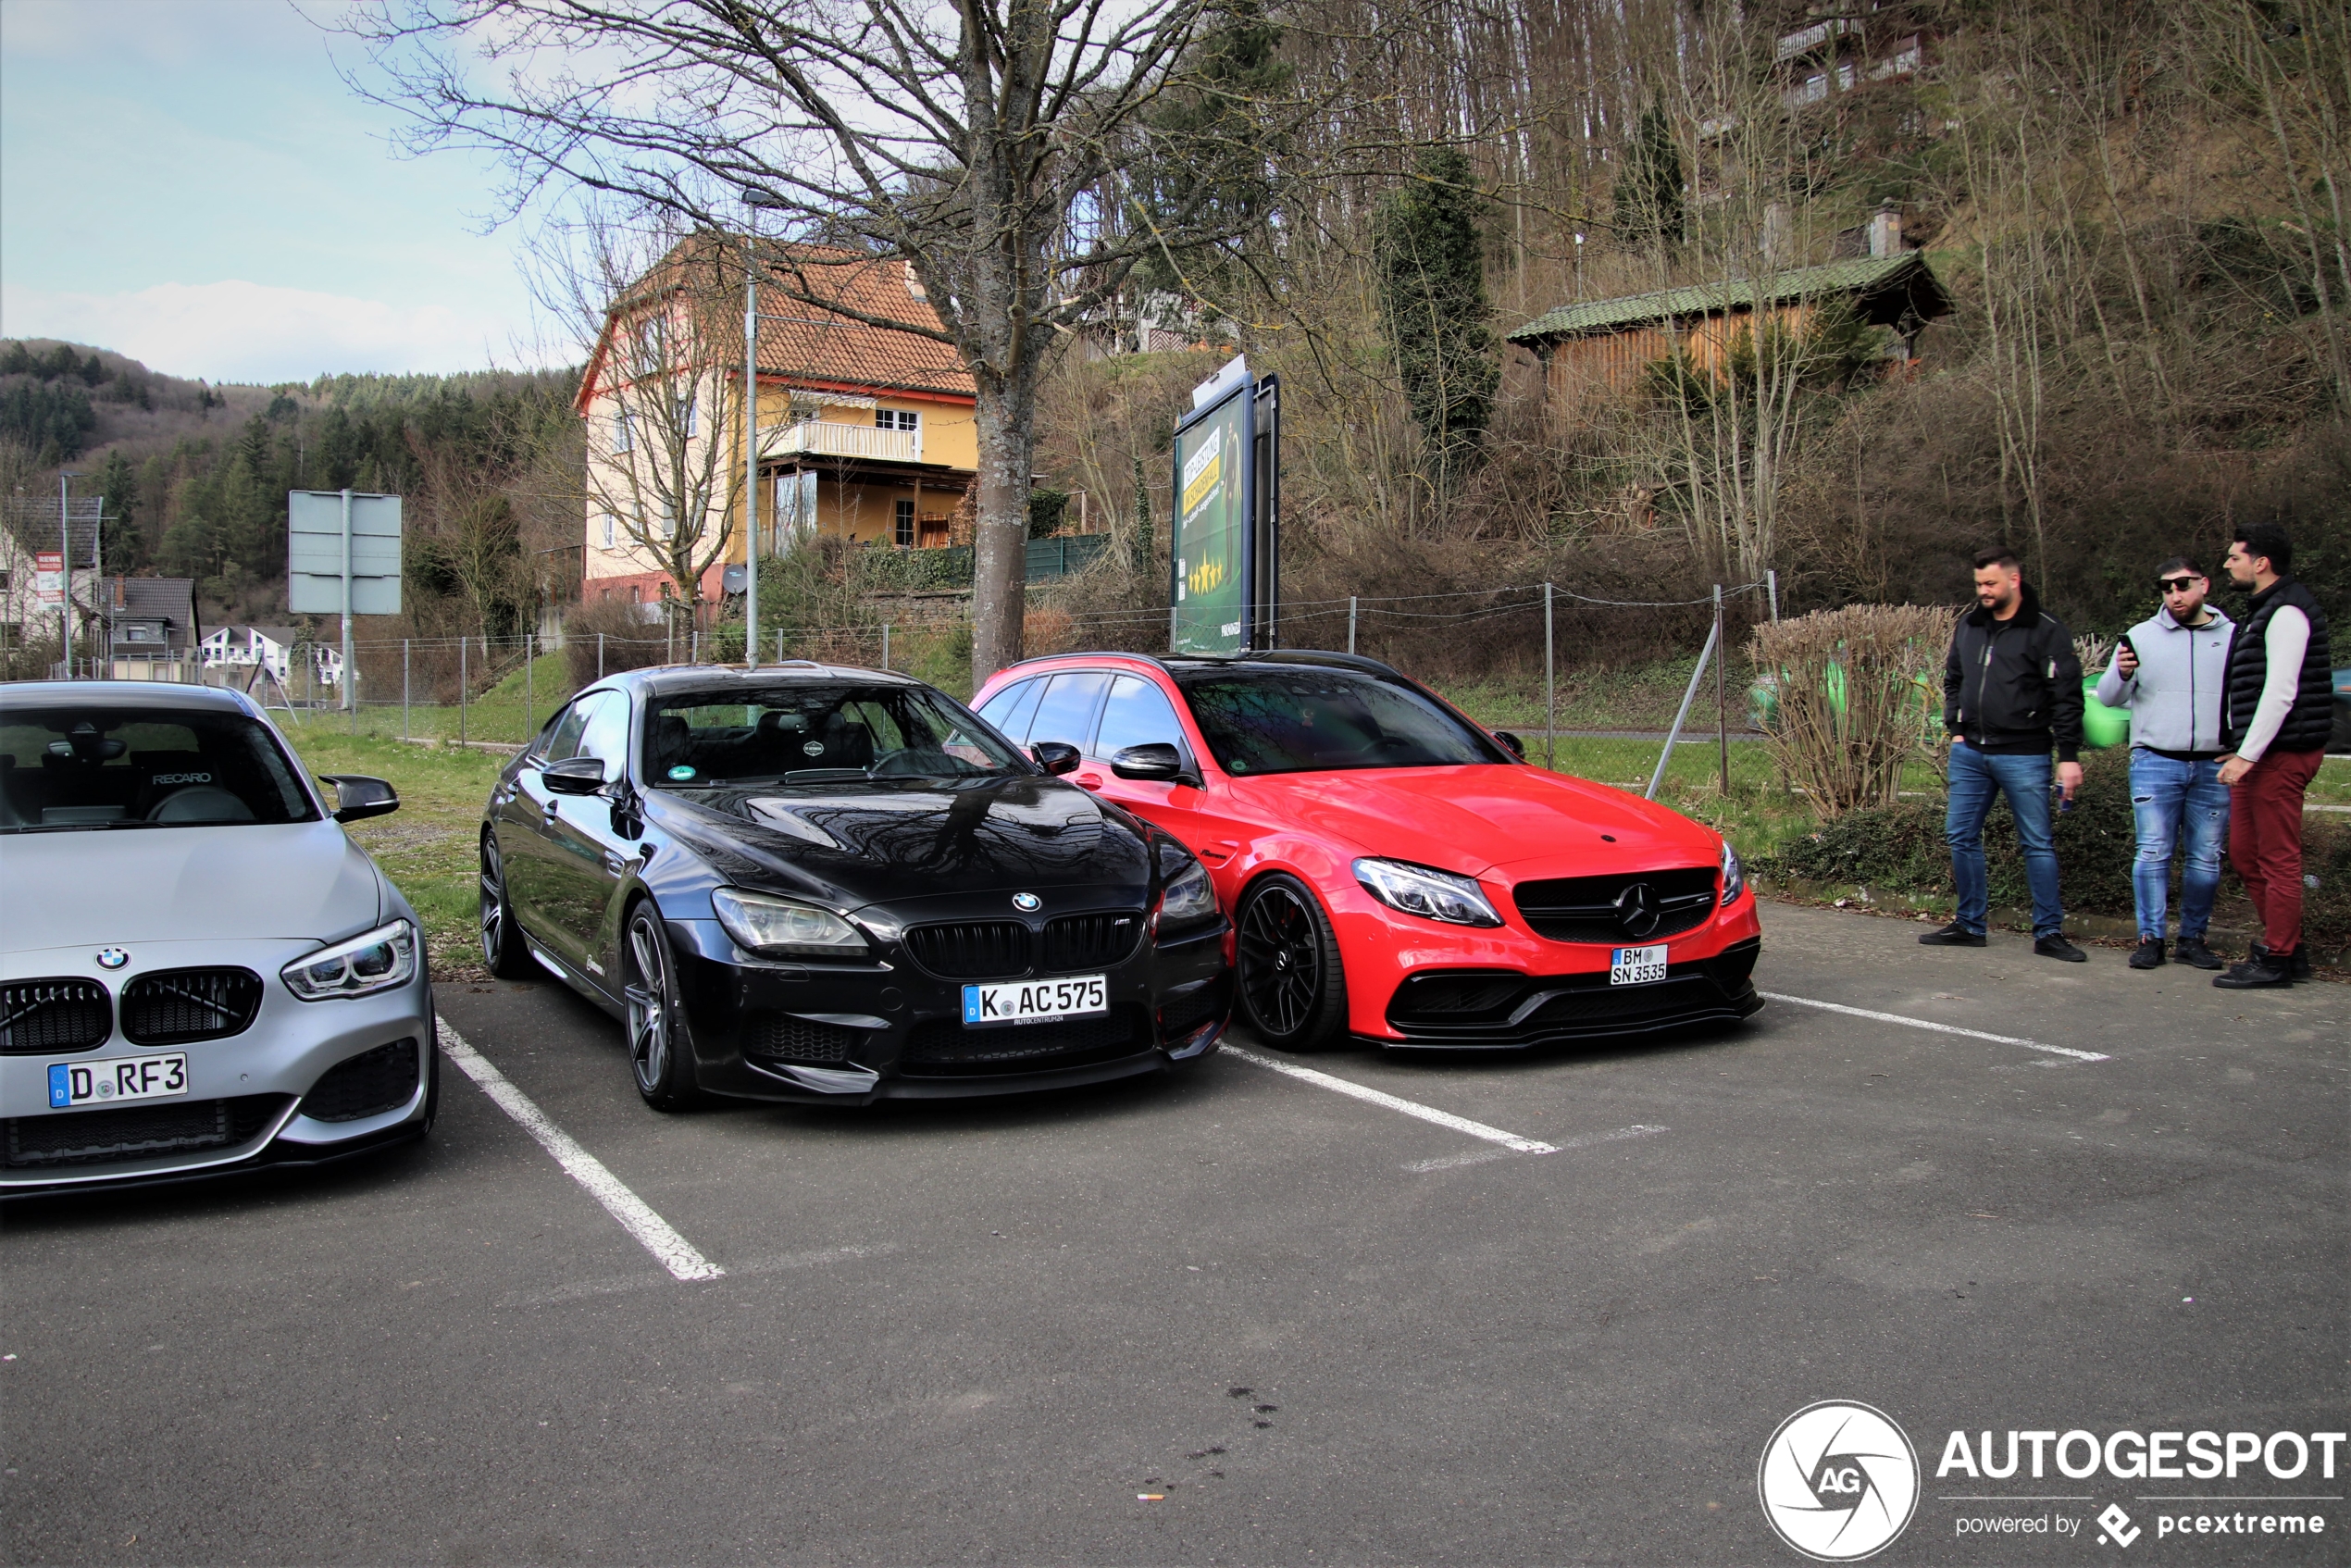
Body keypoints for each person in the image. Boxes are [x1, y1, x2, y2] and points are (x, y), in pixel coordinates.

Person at [1922, 547, 2087, 961]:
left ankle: (2049, 932)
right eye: (1979, 584)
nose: (1984, 592)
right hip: (1971, 752)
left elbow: (2067, 696)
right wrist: (1956, 729)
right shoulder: (1970, 626)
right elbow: (1953, 678)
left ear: (2015, 580)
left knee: (2037, 843)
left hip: (2026, 754)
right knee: (1960, 835)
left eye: (1991, 583)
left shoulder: (2047, 631)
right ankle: (1969, 923)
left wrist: (2068, 755)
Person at [2211, 522, 2334, 989]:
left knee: (2277, 857)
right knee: (2245, 854)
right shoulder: (2266, 610)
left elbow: (2280, 693)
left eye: (2234, 556)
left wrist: (2247, 754)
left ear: (2261, 563)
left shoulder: (2287, 613)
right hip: (2259, 755)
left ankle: (2277, 957)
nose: (2227, 563)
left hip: (2280, 755)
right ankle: (2289, 946)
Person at [2096, 559, 2234, 970]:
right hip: (2156, 760)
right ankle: (2150, 937)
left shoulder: (2234, 637)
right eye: (2167, 588)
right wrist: (2120, 674)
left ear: (2204, 585)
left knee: (2206, 856)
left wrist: (2241, 745)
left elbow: (2250, 694)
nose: (2175, 595)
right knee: (2153, 852)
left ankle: (2193, 938)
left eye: (2183, 585)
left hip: (2213, 763)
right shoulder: (2140, 636)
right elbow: (2108, 697)